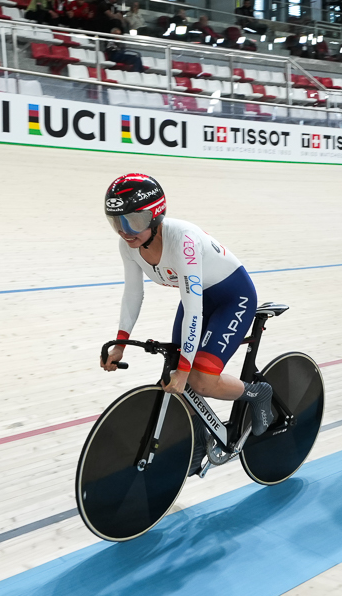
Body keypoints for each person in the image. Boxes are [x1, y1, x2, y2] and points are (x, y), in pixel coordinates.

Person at [100, 174, 273, 434]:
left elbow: (193, 309)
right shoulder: (129, 246)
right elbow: (133, 294)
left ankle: (257, 394)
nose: (125, 231)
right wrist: (120, 343)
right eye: (117, 222)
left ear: (155, 216)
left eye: (133, 221)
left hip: (232, 299)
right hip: (198, 298)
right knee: (175, 376)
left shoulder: (183, 241)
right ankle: (199, 440)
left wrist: (185, 369)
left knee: (200, 381)